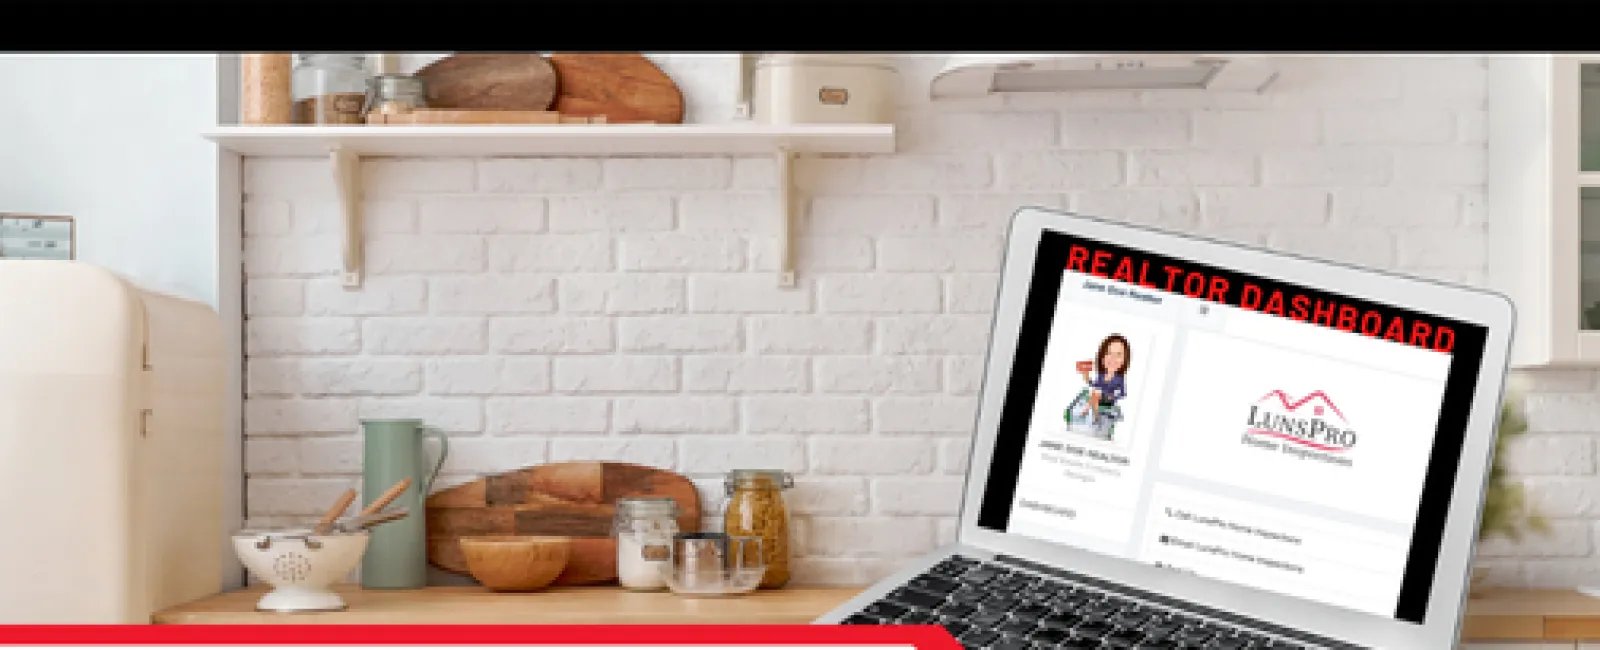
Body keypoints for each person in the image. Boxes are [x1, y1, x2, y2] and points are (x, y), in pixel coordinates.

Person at [1077, 334, 1130, 425]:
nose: (1113, 358)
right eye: (1109, 353)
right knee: (1095, 394)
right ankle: (1094, 416)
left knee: (1095, 395)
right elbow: (1095, 385)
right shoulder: (1101, 375)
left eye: (1118, 354)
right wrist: (1086, 377)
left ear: (1124, 360)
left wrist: (1113, 397)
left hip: (1108, 401)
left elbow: (1123, 393)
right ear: (1102, 357)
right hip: (1099, 397)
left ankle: (1087, 412)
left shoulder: (1119, 379)